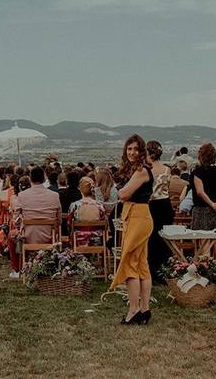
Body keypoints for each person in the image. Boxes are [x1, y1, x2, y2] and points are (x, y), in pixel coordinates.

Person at [110, 134, 154, 325]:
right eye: (129, 148)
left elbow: (124, 193)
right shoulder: (139, 171)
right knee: (141, 264)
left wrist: (118, 187)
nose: (132, 152)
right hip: (138, 215)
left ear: (142, 151)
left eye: (136, 149)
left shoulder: (141, 171)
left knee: (129, 262)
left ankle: (134, 309)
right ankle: (144, 309)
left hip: (137, 216)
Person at [8, 166, 60, 280]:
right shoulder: (55, 196)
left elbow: (16, 218)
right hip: (49, 237)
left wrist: (19, 227)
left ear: (30, 179)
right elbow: (58, 220)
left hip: (27, 236)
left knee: (11, 235)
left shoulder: (22, 195)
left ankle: (16, 269)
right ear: (43, 178)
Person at [189, 143, 216, 259]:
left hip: (202, 209)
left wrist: (212, 204)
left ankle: (205, 268)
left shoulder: (198, 172)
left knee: (204, 241)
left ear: (200, 156)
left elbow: (200, 192)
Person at [145, 140, 172, 279]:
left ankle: (152, 270)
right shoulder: (167, 169)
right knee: (164, 237)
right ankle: (165, 269)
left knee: (151, 237)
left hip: (152, 205)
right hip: (166, 205)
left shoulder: (146, 170)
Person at [67, 176, 106, 247]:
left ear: (80, 189)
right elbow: (104, 225)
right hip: (97, 240)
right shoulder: (100, 205)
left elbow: (69, 225)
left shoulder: (74, 205)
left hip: (79, 240)